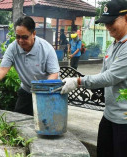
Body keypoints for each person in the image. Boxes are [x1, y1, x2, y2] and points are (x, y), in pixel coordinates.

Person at [61, 1, 127, 156]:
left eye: (112, 22)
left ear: (126, 18)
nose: (108, 27)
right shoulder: (113, 46)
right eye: (106, 23)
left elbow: (110, 77)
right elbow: (103, 75)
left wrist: (78, 81)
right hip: (109, 115)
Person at [0, 16, 59, 116]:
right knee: (18, 120)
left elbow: (54, 74)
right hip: (27, 89)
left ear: (34, 34)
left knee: (44, 122)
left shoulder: (46, 49)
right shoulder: (13, 48)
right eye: (17, 36)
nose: (20, 40)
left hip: (47, 91)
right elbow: (2, 69)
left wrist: (42, 91)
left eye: (24, 37)